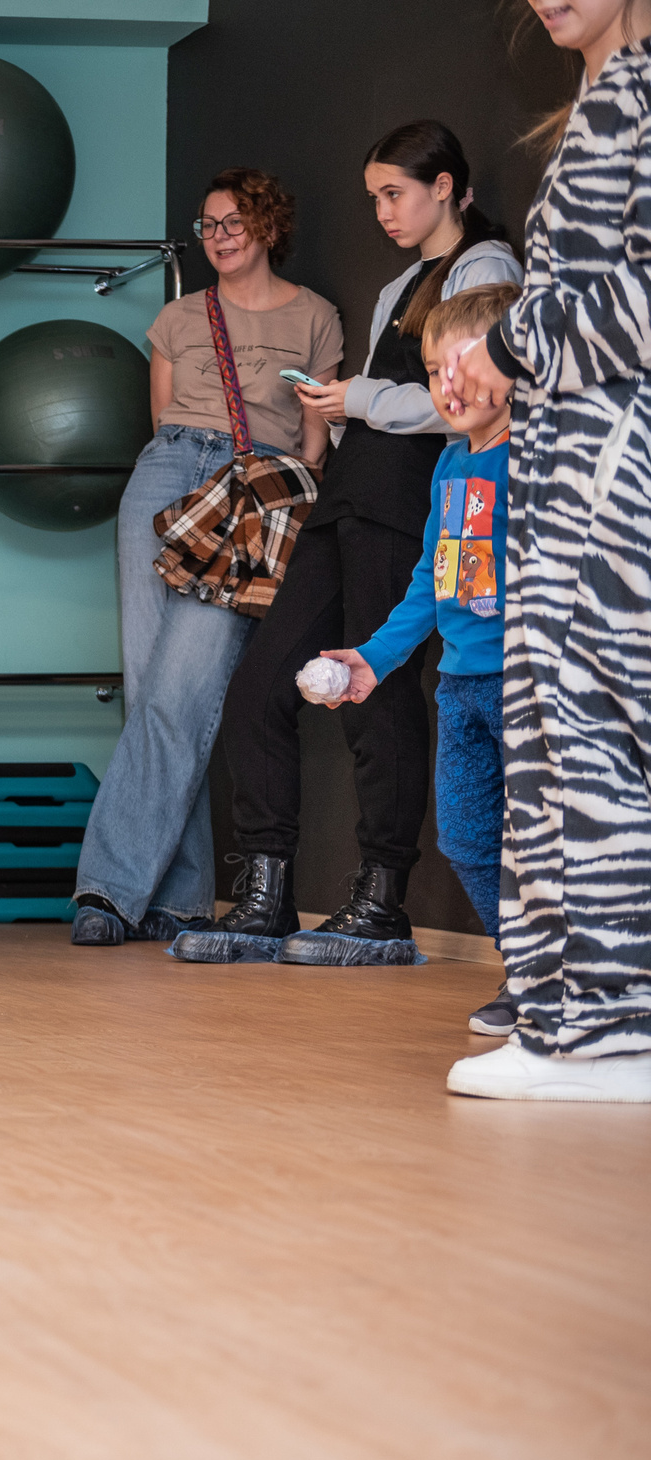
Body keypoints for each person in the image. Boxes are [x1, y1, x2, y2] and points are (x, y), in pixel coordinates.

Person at [177, 123, 519, 967]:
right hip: (352, 491)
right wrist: (348, 408)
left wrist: (360, 396)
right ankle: (262, 893)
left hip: (408, 494)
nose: (381, 211)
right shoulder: (405, 280)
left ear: (445, 186)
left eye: (394, 192)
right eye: (372, 196)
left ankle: (381, 900)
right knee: (263, 679)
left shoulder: (488, 271)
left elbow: (467, 400)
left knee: (381, 700)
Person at [440, 0, 651, 1101]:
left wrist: (515, 337)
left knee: (592, 723)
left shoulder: (644, 91)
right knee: (547, 728)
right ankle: (563, 1014)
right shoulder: (590, 106)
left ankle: (616, 1028)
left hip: (619, 464)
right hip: (561, 463)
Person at [70, 169, 341, 946]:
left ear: (266, 226)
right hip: (165, 479)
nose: (218, 237)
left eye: (232, 222)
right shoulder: (179, 317)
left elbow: (314, 440)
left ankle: (111, 889)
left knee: (183, 689)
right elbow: (163, 419)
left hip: (252, 492)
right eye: (208, 225)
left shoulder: (316, 317)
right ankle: (181, 899)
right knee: (149, 688)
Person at [312, 287, 519, 1031]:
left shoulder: (540, 459)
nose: (446, 387)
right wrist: (373, 659)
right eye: (433, 371)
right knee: (465, 837)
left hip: (530, 690)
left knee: (549, 848)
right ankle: (529, 972)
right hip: (459, 687)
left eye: (460, 366)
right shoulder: (449, 467)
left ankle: (576, 980)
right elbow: (431, 586)